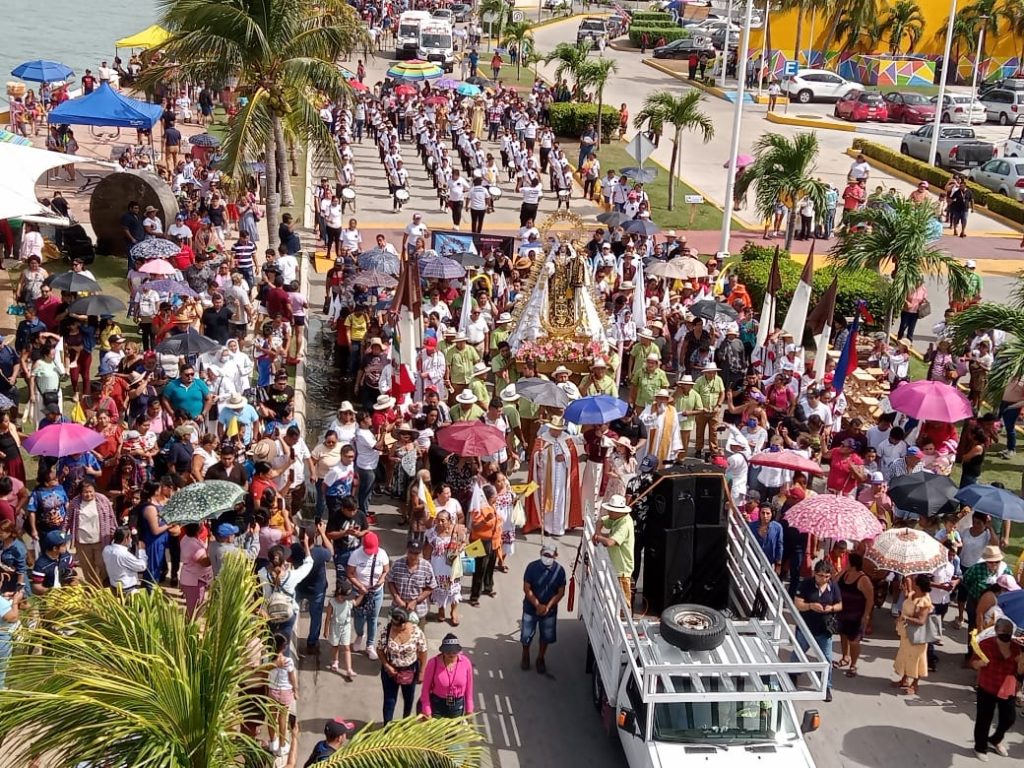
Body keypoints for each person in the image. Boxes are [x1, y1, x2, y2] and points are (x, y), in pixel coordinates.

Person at [971, 616, 1024, 760]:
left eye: (1009, 631)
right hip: (987, 685)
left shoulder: (1016, 647)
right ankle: (980, 747)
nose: (1006, 633)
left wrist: (1021, 663)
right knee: (984, 719)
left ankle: (995, 739)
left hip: (1007, 687)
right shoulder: (986, 644)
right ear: (996, 630)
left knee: (1009, 718)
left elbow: (1019, 672)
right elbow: (974, 663)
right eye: (1003, 631)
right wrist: (980, 664)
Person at [794, 559, 842, 702]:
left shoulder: (833, 587)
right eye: (821, 576)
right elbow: (798, 603)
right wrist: (810, 606)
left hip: (824, 631)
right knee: (797, 655)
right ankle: (791, 676)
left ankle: (826, 686)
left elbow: (840, 604)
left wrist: (831, 608)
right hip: (806, 628)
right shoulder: (806, 584)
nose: (824, 579)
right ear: (815, 574)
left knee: (827, 660)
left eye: (827, 576)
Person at [521, 543, 567, 674]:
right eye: (545, 554)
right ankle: (525, 654)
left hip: (549, 611)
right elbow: (526, 588)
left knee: (545, 636)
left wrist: (547, 607)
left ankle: (540, 658)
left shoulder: (560, 571)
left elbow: (561, 592)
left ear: (555, 556)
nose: (547, 557)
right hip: (531, 608)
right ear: (541, 553)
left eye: (550, 555)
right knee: (526, 634)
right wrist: (537, 605)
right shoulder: (532, 567)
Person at [377, 605, 428, 723]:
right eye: (395, 625)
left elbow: (423, 652)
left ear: (406, 622)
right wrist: (387, 665)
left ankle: (405, 722)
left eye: (400, 625)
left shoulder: (416, 632)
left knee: (408, 699)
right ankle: (387, 727)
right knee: (389, 700)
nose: (397, 628)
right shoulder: (387, 630)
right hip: (390, 671)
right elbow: (380, 650)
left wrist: (422, 672)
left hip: (410, 670)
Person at [347, 531, 390, 660]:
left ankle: (370, 645)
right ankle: (360, 635)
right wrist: (360, 586)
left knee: (373, 618)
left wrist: (382, 579)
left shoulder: (382, 554)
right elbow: (350, 573)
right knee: (359, 618)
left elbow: (386, 570)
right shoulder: (355, 555)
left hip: (376, 592)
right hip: (360, 592)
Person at [893, 573, 934, 696]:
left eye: (914, 582)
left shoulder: (924, 601)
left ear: (919, 585)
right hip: (906, 634)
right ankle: (904, 679)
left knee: (917, 659)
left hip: (917, 636)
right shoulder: (913, 594)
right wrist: (905, 590)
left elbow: (921, 621)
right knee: (905, 655)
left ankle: (915, 684)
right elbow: (908, 599)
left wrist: (905, 618)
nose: (912, 583)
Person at [591, 494, 635, 609]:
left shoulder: (624, 525)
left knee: (624, 602)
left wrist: (598, 537)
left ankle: (625, 621)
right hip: (616, 566)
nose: (609, 513)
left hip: (622, 569)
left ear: (619, 512)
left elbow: (610, 542)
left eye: (611, 511)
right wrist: (597, 532)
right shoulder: (617, 518)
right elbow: (601, 521)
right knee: (615, 597)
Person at [834, 552, 873, 679]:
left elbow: (870, 599)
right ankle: (845, 657)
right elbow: (834, 582)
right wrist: (843, 570)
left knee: (854, 641)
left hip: (856, 615)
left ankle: (853, 664)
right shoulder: (845, 574)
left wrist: (866, 616)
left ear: (853, 563)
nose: (845, 563)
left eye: (847, 562)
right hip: (843, 612)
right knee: (843, 636)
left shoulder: (863, 579)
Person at [420, 633, 475, 719]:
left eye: (454, 651)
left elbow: (469, 688)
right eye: (448, 652)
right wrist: (426, 709)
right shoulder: (433, 663)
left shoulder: (465, 663)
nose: (451, 654)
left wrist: (469, 709)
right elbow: (425, 689)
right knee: (436, 732)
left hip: (457, 705)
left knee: (453, 731)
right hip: (437, 704)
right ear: (443, 651)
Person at [386, 539, 437, 622]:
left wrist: (415, 601)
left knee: (416, 634)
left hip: (418, 611)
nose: (413, 556)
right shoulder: (397, 564)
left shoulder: (426, 566)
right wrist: (397, 598)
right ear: (407, 551)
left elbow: (431, 587)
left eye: (416, 553)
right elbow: (390, 581)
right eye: (411, 552)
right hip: (398, 609)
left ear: (420, 553)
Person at [267, 633, 299, 757]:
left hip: (272, 691)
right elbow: (292, 678)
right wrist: (296, 690)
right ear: (284, 647)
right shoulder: (288, 661)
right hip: (285, 692)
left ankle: (273, 743)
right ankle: (282, 746)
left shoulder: (268, 660)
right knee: (282, 720)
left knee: (271, 718)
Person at [324, 582, 356, 679]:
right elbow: (328, 617)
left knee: (347, 647)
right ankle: (335, 660)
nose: (344, 599)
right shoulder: (332, 602)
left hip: (346, 626)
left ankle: (349, 669)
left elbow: (356, 602)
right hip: (335, 627)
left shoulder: (349, 601)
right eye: (343, 597)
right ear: (338, 595)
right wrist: (326, 630)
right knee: (335, 645)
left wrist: (363, 594)